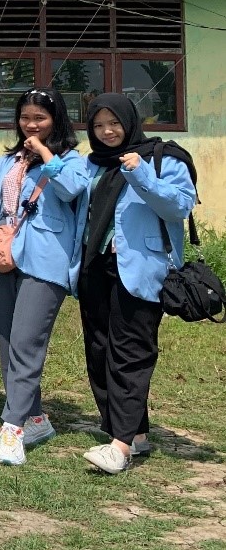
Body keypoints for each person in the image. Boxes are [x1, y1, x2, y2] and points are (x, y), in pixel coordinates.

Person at [0, 88, 90, 467]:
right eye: (25, 118)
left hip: (45, 261)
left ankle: (13, 427)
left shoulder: (72, 160)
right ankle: (35, 418)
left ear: (56, 120)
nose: (31, 125)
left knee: (26, 342)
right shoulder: (9, 160)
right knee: (7, 345)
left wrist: (47, 155)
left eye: (40, 118)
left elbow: (71, 189)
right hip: (3, 257)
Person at [79, 94, 196, 474]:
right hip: (96, 267)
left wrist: (141, 174)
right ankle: (135, 432)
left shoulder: (165, 157)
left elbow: (180, 206)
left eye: (114, 123)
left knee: (130, 353)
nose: (107, 131)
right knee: (100, 351)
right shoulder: (94, 163)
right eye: (98, 125)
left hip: (141, 269)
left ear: (130, 122)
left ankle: (120, 446)